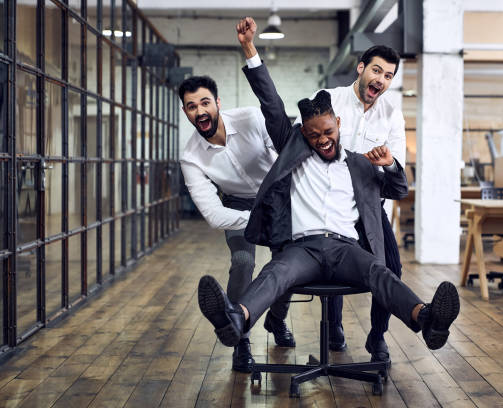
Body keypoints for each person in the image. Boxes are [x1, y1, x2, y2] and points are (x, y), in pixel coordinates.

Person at [197, 17, 460, 358]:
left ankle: (426, 320)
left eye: (328, 133)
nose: (322, 141)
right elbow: (272, 104)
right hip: (303, 249)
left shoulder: (359, 163)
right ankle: (236, 320)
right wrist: (249, 49)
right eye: (314, 135)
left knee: (381, 271)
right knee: (274, 273)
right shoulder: (297, 151)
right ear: (303, 134)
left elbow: (397, 187)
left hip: (344, 247)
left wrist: (390, 163)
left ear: (339, 124)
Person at [294, 44, 405, 362]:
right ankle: (334, 325)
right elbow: (304, 145)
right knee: (333, 267)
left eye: (388, 75)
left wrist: (388, 163)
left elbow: (398, 169)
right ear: (361, 68)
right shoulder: (328, 98)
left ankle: (377, 337)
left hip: (370, 208)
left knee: (392, 268)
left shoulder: (391, 116)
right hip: (328, 207)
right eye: (376, 70)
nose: (381, 80)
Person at [179, 74, 295, 373]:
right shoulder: (191, 157)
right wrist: (257, 219)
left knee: (288, 261)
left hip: (276, 196)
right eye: (192, 107)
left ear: (217, 103)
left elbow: (284, 153)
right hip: (237, 205)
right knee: (243, 261)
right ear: (185, 112)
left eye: (205, 103)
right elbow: (215, 215)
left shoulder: (251, 118)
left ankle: (277, 319)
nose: (200, 111)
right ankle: (240, 340)